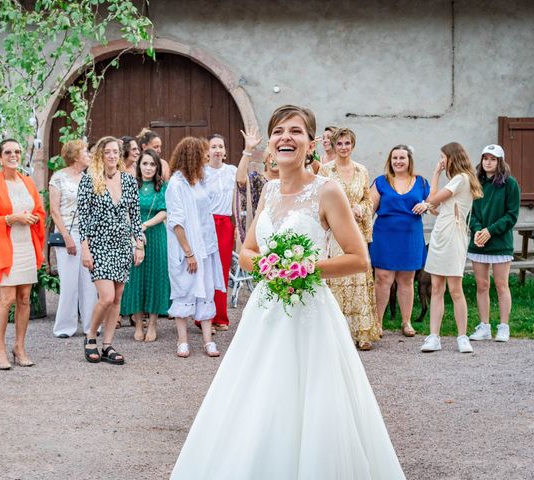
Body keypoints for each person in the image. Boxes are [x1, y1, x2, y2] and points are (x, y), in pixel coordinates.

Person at [171, 105, 406, 479]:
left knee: (311, 402)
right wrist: (269, 266)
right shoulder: (269, 191)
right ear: (271, 144)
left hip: (309, 313)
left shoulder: (327, 191)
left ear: (311, 143)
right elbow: (247, 252)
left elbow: (359, 258)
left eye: (296, 131)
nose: (286, 137)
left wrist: (305, 267)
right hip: (266, 312)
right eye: (279, 131)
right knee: (258, 399)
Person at [0, 139, 46, 370]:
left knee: (25, 298)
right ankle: (0, 348)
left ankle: (19, 346)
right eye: (8, 152)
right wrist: (11, 218)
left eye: (17, 151)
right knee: (6, 299)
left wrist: (34, 217)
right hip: (6, 247)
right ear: (0, 157)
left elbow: (39, 209)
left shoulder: (27, 182)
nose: (13, 155)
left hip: (26, 244)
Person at [78, 135, 144, 365]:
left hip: (122, 244)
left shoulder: (128, 181)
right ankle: (90, 337)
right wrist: (85, 249)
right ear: (100, 155)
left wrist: (139, 243)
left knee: (117, 298)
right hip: (99, 244)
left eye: (115, 151)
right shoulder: (89, 180)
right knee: (105, 296)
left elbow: (135, 216)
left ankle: (107, 345)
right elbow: (83, 218)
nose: (112, 155)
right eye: (107, 152)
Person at [320, 128, 380, 350]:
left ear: (352, 145)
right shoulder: (325, 171)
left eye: (347, 143)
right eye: (339, 144)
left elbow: (368, 199)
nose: (343, 147)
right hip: (335, 233)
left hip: (356, 230)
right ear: (333, 147)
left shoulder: (362, 170)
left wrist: (360, 208)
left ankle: (362, 332)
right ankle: (337, 332)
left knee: (358, 278)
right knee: (337, 277)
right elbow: (320, 200)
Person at [421, 142, 484, 353]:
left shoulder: (461, 178)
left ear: (451, 157)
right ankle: (434, 337)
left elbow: (432, 200)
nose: (440, 161)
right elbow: (437, 207)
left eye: (442, 157)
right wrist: (432, 206)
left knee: (455, 289)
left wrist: (435, 174)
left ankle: (462, 337)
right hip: (441, 234)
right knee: (436, 287)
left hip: (454, 236)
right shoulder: (457, 181)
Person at [165, 137, 225, 358]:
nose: (207, 156)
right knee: (184, 290)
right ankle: (182, 341)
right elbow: (176, 223)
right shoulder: (176, 184)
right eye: (203, 153)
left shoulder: (200, 180)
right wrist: (189, 253)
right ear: (192, 156)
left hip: (206, 247)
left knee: (206, 291)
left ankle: (208, 341)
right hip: (186, 250)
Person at [370, 145, 431, 337]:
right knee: (382, 279)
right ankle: (377, 323)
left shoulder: (421, 182)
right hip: (384, 235)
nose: (398, 161)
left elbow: (434, 205)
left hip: (410, 236)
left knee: (407, 279)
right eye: (394, 158)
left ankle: (406, 322)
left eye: (402, 158)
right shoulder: (381, 181)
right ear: (390, 160)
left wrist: (426, 204)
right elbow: (369, 209)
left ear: (409, 160)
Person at [468, 144, 520, 342]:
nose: (488, 162)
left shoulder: (510, 184)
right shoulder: (476, 182)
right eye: (485, 158)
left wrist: (490, 231)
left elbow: (511, 215)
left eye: (493, 159)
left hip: (500, 242)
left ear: (500, 162)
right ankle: (484, 326)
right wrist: (478, 230)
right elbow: (470, 211)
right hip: (479, 241)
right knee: (482, 285)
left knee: (501, 285)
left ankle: (504, 326)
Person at [120, 149, 170, 342]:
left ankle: (153, 323)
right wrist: (135, 229)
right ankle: (138, 324)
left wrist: (145, 225)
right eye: (145, 164)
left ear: (157, 167)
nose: (148, 168)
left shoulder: (162, 186)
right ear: (139, 166)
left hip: (156, 235)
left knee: (156, 278)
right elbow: (125, 210)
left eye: (152, 164)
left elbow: (165, 211)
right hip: (133, 236)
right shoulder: (131, 185)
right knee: (136, 278)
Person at [49, 139, 97, 338]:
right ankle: (64, 327)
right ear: (75, 155)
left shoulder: (90, 178)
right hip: (67, 232)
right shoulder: (58, 178)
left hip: (89, 234)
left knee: (90, 282)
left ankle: (91, 326)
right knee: (69, 281)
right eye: (85, 151)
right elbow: (54, 210)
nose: (89, 155)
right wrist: (67, 237)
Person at [202, 134, 237, 331]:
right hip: (207, 223)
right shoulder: (202, 172)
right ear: (207, 151)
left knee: (222, 270)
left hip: (224, 223)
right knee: (207, 270)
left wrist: (248, 150)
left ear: (224, 151)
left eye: (220, 146)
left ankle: (220, 316)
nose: (217, 150)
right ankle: (204, 317)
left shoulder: (231, 171)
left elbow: (242, 182)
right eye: (213, 146)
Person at [234, 126, 279, 243]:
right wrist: (248, 150)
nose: (274, 160)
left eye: (277, 157)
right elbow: (240, 179)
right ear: (265, 160)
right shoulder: (257, 178)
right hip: (260, 232)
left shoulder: (288, 181)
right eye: (271, 156)